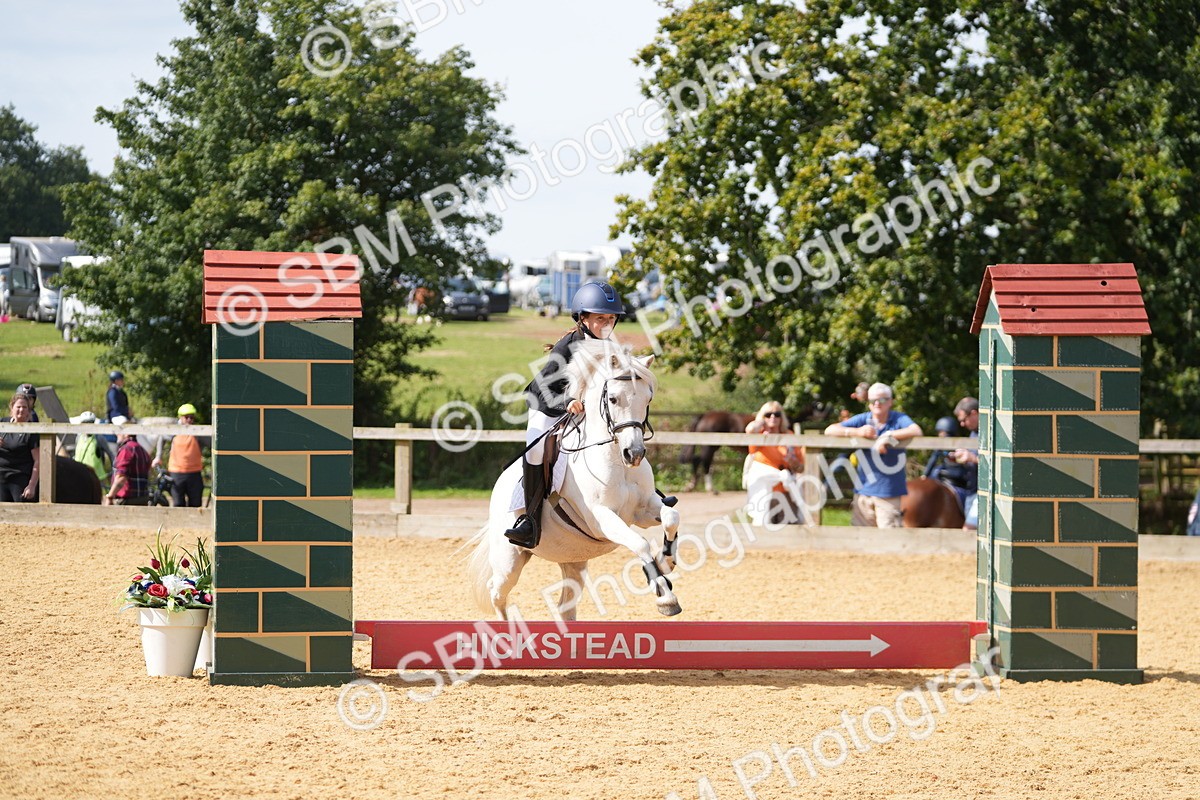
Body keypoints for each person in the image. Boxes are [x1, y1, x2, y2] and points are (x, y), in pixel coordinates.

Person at [504, 281, 625, 549]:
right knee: (535, 452)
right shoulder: (567, 346)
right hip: (547, 405)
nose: (607, 324)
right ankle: (529, 521)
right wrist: (568, 401)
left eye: (611, 319)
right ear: (583, 318)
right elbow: (545, 386)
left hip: (584, 410)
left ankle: (642, 493)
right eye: (600, 318)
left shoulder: (609, 347)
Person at [824, 382, 923, 528]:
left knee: (888, 538)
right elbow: (829, 430)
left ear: (890, 402)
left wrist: (888, 436)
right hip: (863, 492)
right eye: (873, 400)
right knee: (861, 537)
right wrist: (857, 432)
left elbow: (916, 431)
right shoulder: (863, 419)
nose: (877, 403)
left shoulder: (898, 419)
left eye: (882, 399)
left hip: (889, 494)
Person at [742, 401, 805, 525]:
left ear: (782, 417)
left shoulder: (789, 435)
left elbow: (801, 467)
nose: (773, 417)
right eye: (768, 414)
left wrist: (794, 463)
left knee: (789, 527)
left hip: (785, 491)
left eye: (777, 414)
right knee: (764, 526)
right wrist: (761, 423)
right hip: (765, 492)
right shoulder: (759, 435)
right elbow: (749, 429)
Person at [152, 403, 205, 507]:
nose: (189, 420)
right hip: (176, 473)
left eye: (192, 417)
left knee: (196, 504)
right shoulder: (174, 430)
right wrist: (158, 456)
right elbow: (162, 438)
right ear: (180, 417)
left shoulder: (198, 431)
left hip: (194, 473)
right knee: (178, 504)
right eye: (186, 417)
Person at [947, 397, 981, 530]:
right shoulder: (973, 434)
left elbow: (1002, 463)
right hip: (971, 490)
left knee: (968, 530)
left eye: (963, 420)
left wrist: (973, 458)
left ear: (974, 413)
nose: (962, 424)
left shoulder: (991, 432)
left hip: (983, 492)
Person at [0, 393, 41, 502]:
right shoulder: (2, 423)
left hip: (19, 479)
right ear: (12, 408)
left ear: (29, 410)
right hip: (1, 478)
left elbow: (38, 460)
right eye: (18, 407)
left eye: (24, 407)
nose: (21, 410)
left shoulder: (31, 430)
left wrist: (32, 485)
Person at [103, 416, 151, 506]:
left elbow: (121, 478)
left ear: (127, 433)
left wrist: (110, 496)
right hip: (142, 499)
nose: (117, 434)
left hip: (127, 500)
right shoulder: (142, 450)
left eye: (119, 431)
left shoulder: (126, 450)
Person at [73, 411, 110, 486]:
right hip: (80, 475)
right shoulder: (79, 438)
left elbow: (110, 453)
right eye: (85, 423)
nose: (88, 425)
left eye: (90, 423)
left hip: (97, 477)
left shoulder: (98, 438)